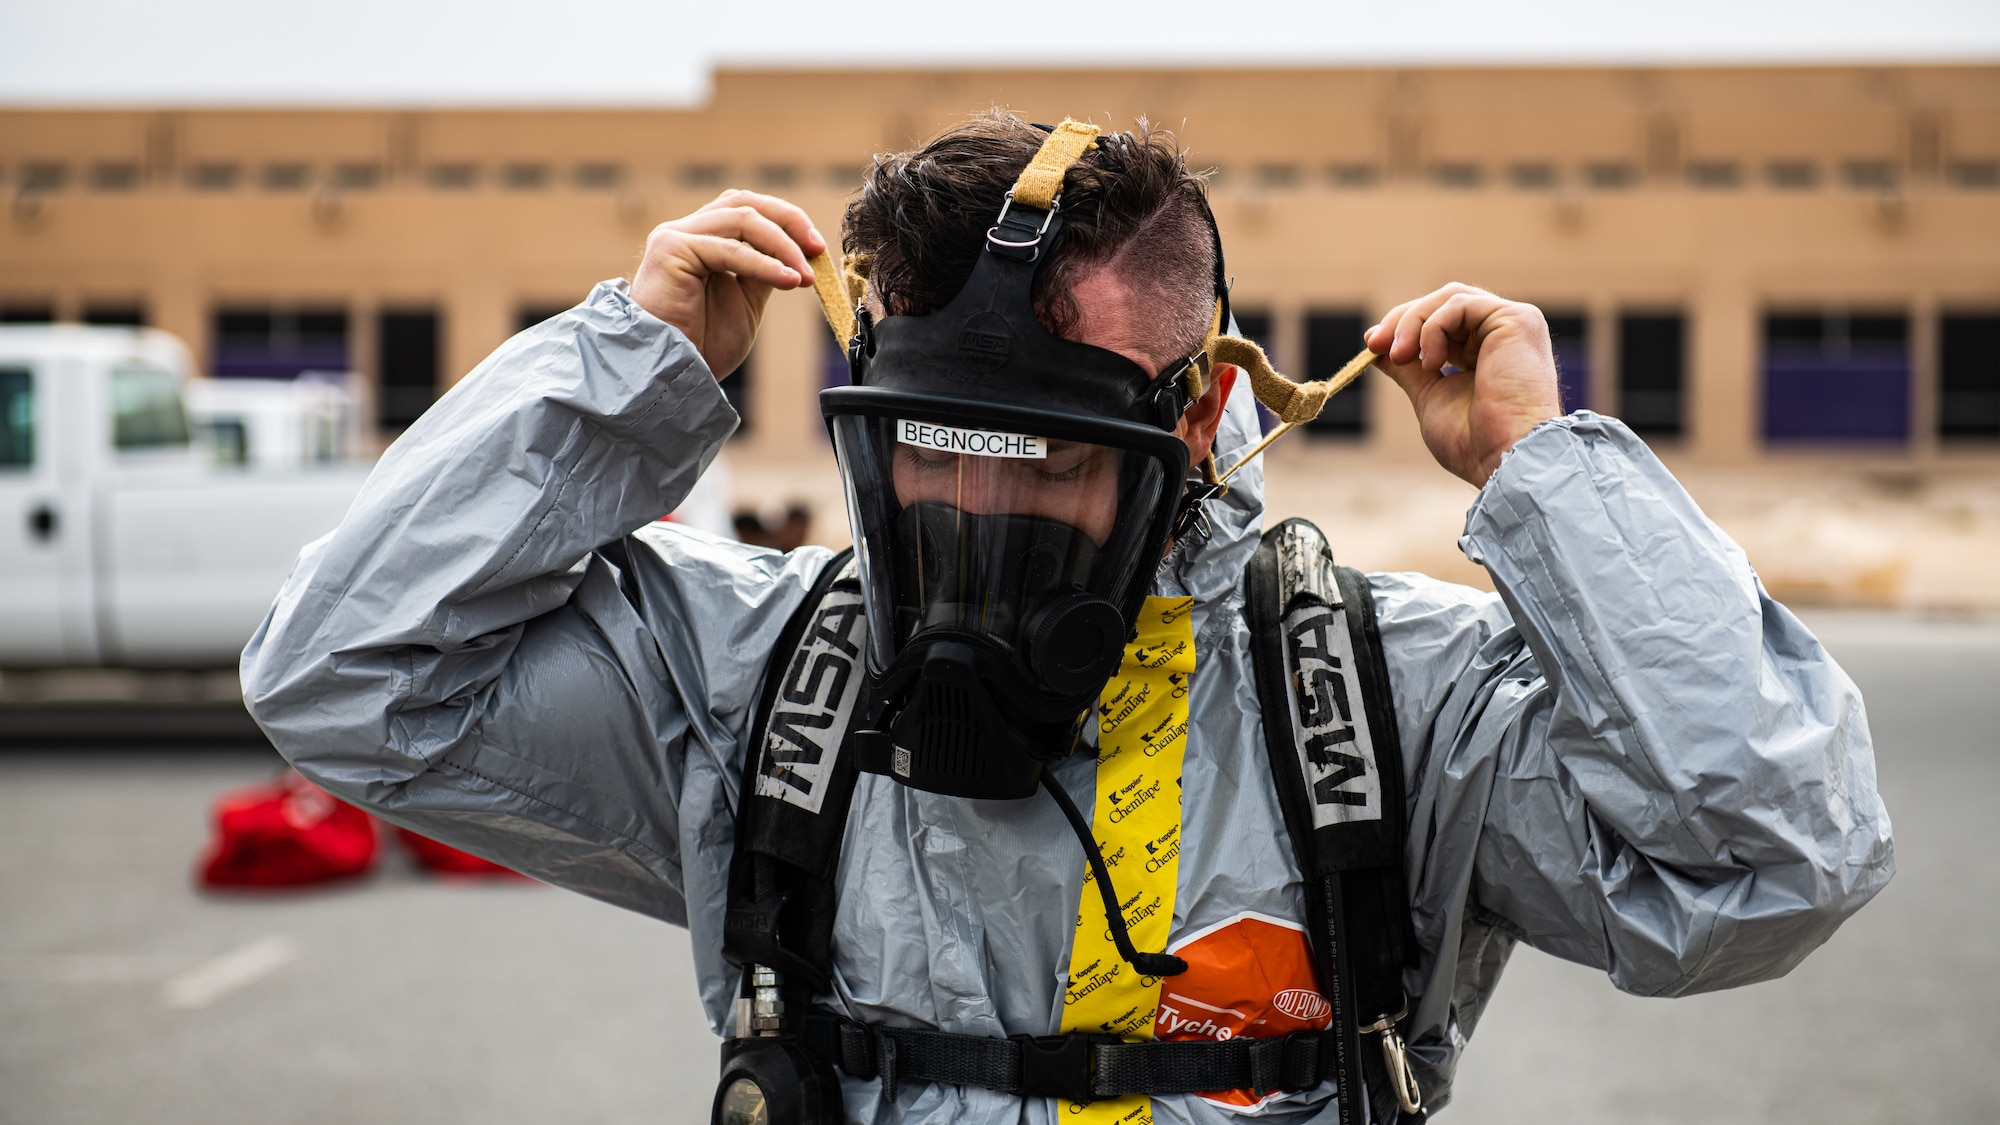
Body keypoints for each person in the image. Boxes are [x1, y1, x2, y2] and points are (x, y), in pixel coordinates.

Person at [241, 113, 1894, 1124]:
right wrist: (625, 368)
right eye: (925, 465)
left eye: (1042, 471)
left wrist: (1552, 484)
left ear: (1193, 425)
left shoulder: (1384, 707)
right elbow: (344, 679)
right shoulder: (757, 680)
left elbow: (1773, 854)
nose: (970, 527)